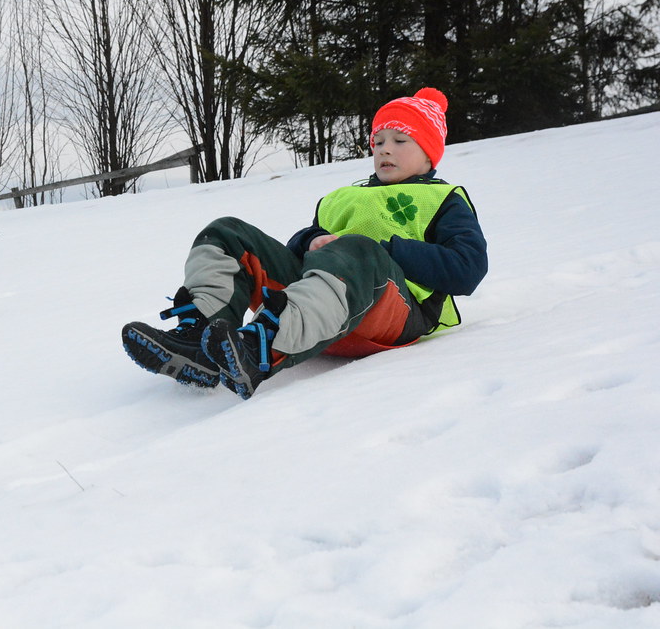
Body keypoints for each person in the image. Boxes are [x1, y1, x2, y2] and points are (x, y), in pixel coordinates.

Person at [122, 87, 488, 400]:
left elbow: (468, 267)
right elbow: (297, 248)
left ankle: (260, 348)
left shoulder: (443, 199)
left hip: (393, 314)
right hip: (323, 313)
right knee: (226, 232)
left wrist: (383, 249)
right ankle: (201, 339)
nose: (384, 150)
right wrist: (313, 240)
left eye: (399, 140)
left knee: (356, 249)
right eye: (377, 141)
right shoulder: (346, 196)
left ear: (428, 152)